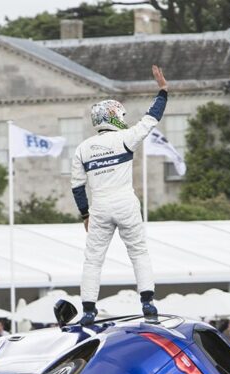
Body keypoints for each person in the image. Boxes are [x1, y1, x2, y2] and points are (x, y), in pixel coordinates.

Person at [71, 65, 168, 326]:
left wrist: (85, 214)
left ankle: (88, 310)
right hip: (125, 201)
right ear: (113, 117)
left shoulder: (83, 148)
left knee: (93, 260)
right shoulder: (125, 138)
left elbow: (77, 186)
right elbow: (150, 119)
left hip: (99, 206)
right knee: (138, 252)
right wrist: (162, 91)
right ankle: (147, 302)